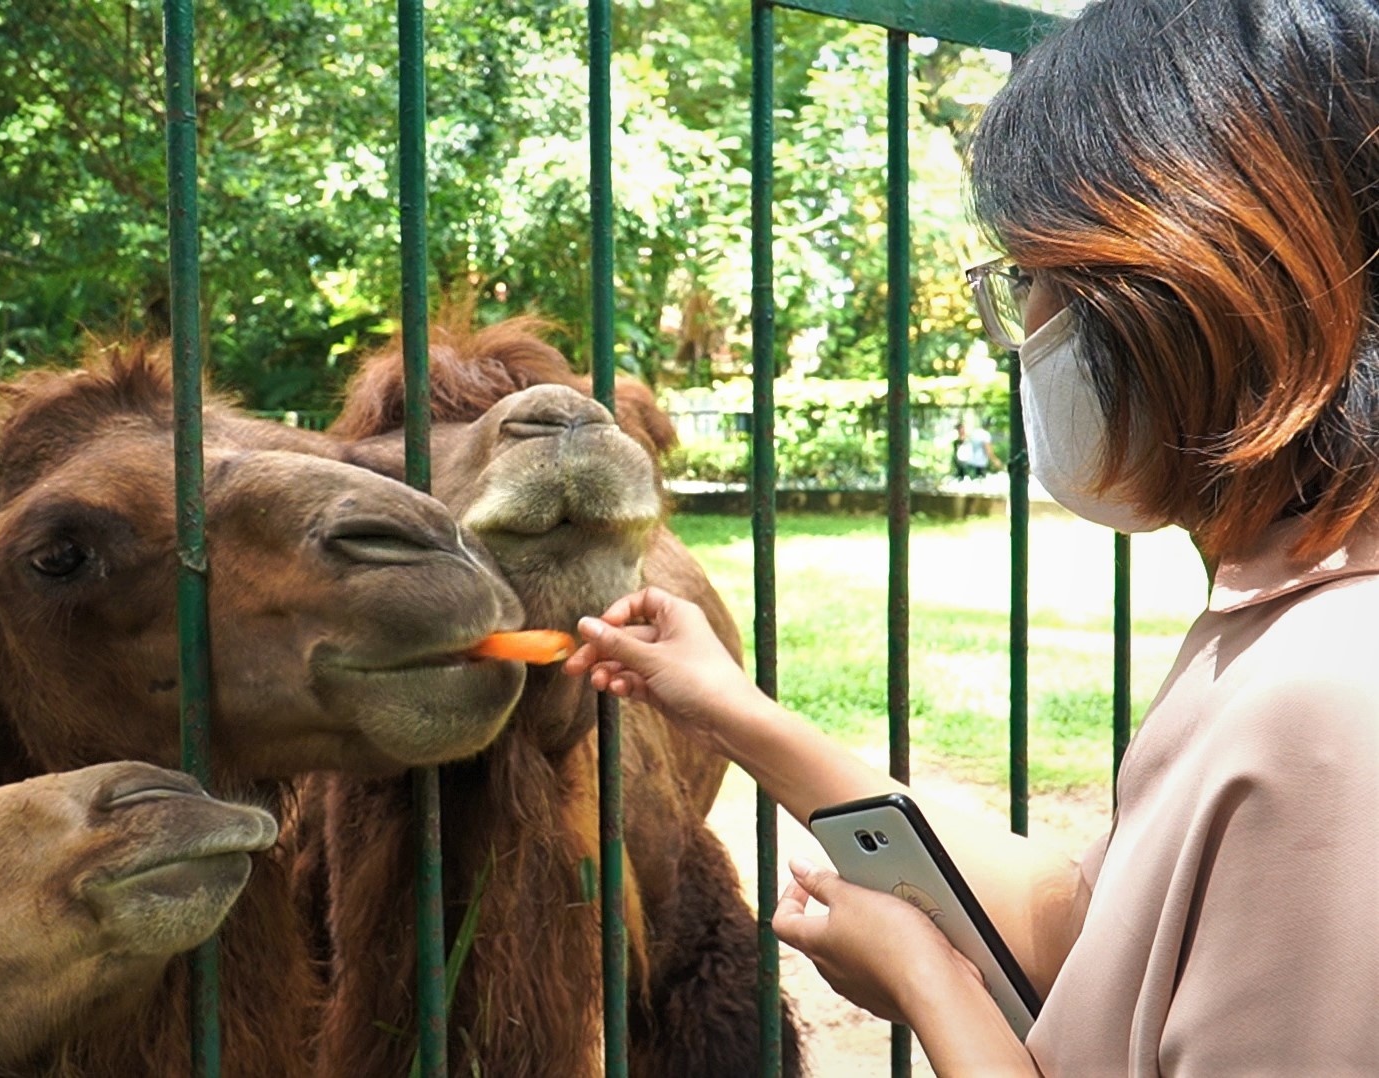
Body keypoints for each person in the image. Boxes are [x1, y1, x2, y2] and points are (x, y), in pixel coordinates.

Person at [564, 0, 1379, 1072]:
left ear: (1184, 285)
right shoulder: (1280, 621)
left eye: (1034, 274)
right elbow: (1092, 934)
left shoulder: (1324, 698)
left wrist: (924, 983)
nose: (1024, 328)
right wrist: (730, 708)